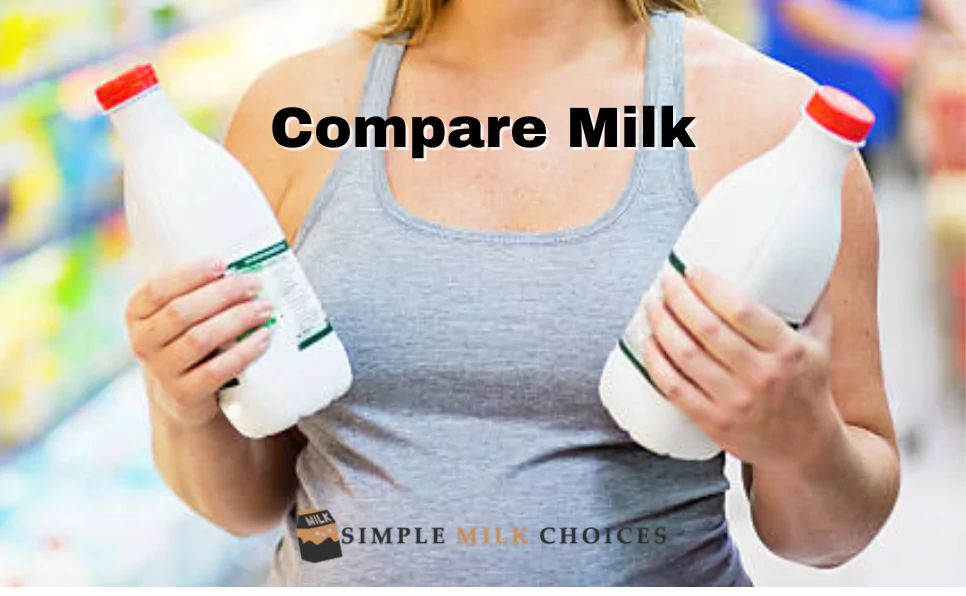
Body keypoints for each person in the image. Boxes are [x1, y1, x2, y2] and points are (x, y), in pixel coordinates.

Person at [123, 0, 900, 586]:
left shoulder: (776, 134)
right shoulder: (292, 111)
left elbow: (830, 534)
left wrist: (805, 442)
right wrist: (185, 403)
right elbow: (248, 504)